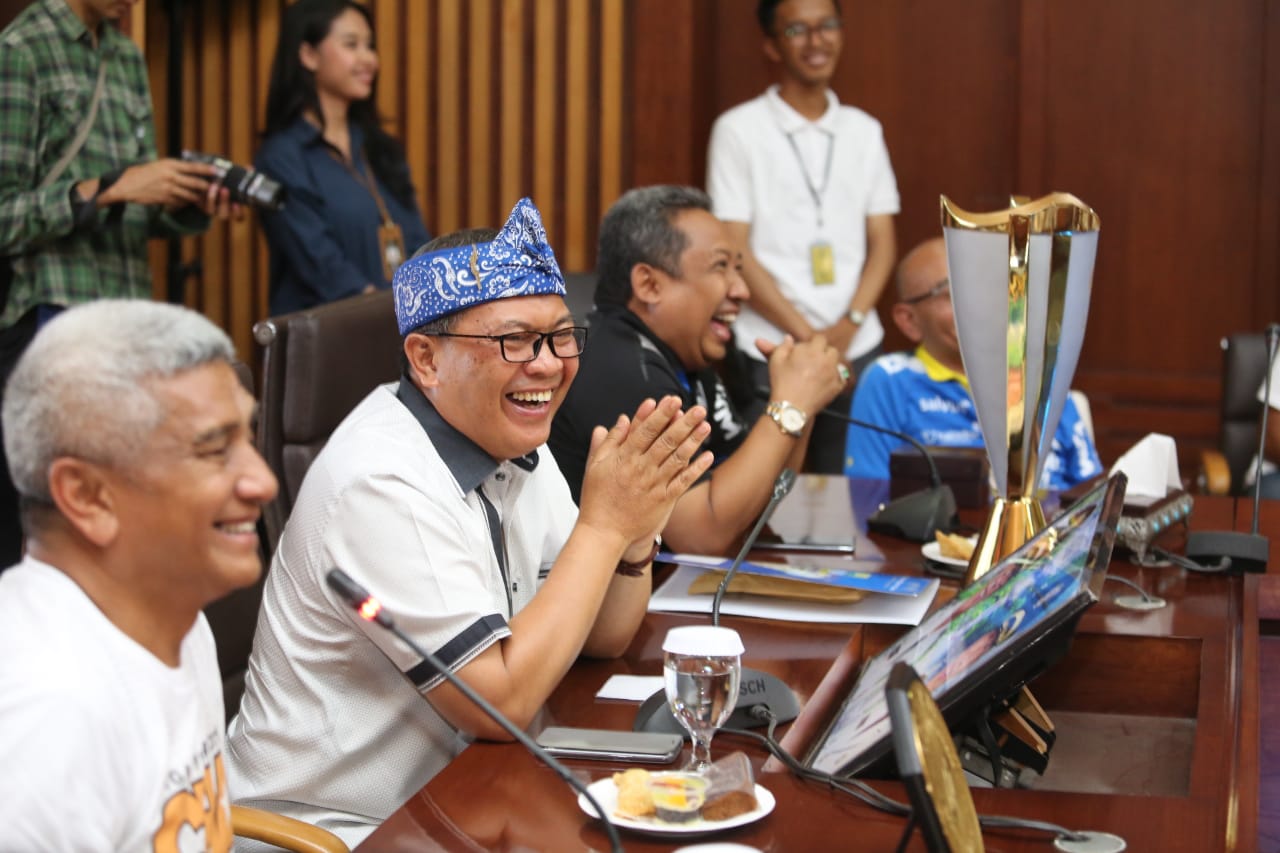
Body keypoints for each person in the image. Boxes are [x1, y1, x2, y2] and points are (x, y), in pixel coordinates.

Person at [226, 198, 712, 846]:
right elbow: (501, 700)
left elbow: (604, 635)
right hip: (337, 831)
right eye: (513, 340)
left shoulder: (510, 440)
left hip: (467, 792)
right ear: (425, 358)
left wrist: (635, 535)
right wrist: (602, 525)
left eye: (561, 335)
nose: (547, 363)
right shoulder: (380, 481)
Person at [0, 300, 278, 851]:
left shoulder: (176, 615)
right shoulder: (45, 719)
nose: (263, 482)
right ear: (87, 497)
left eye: (248, 438)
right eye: (213, 449)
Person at [0, 0, 239, 570]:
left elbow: (134, 202)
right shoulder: (21, 51)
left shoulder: (126, 56)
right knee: (61, 518)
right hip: (52, 318)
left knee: (120, 509)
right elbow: (5, 215)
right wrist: (113, 187)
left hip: (126, 318)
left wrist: (184, 199)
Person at [550, 185, 846, 555]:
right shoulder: (623, 369)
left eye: (739, 269)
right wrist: (791, 404)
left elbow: (757, 505)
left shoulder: (688, 360)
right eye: (721, 266)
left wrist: (803, 400)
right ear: (649, 284)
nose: (741, 290)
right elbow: (702, 537)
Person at [706, 0, 899, 472]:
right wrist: (810, 337)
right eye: (798, 30)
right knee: (768, 496)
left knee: (853, 497)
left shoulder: (864, 131)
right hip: (770, 346)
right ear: (772, 44)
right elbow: (736, 248)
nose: (817, 41)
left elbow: (884, 244)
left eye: (827, 25)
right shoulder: (738, 130)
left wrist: (847, 325)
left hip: (858, 346)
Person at [844, 237, 1102, 490]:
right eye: (952, 292)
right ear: (909, 320)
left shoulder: (1039, 380)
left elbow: (1092, 497)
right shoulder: (890, 381)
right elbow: (869, 500)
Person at [256, 0, 430, 315]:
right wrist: (391, 316)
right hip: (327, 341)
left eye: (370, 46)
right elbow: (321, 264)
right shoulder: (282, 156)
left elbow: (418, 243)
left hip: (399, 333)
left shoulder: (381, 148)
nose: (369, 60)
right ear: (308, 55)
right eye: (352, 45)